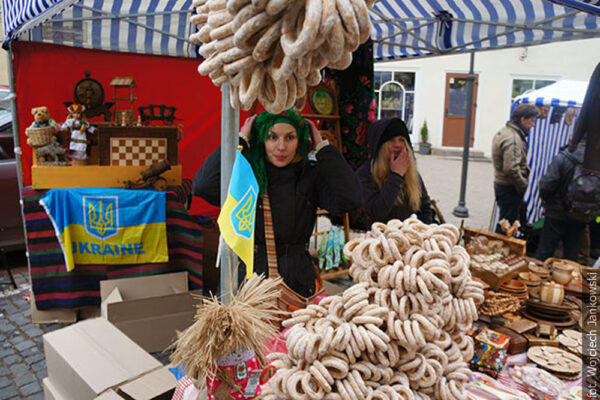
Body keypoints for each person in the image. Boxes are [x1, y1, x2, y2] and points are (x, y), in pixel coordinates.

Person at [193, 109, 362, 297]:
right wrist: (240, 141)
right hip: (251, 277)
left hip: (297, 279)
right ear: (261, 140)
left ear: (300, 141)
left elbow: (351, 199)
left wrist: (323, 147)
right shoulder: (248, 173)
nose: (281, 147)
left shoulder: (309, 174)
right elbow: (202, 185)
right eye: (272, 137)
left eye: (289, 138)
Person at [356, 118, 433, 224]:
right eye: (391, 140)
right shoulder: (365, 173)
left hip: (409, 236)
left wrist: (425, 232)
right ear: (380, 146)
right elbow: (377, 213)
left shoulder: (410, 171)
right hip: (379, 236)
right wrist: (396, 175)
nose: (397, 145)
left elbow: (425, 208)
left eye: (401, 139)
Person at [535, 141, 587, 262]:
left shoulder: (563, 157)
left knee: (544, 252)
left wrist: (547, 202)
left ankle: (534, 279)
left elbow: (546, 185)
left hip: (556, 212)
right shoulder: (595, 162)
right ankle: (579, 281)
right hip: (581, 215)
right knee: (572, 257)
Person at [491, 104, 539, 233]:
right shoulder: (513, 138)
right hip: (509, 187)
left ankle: (498, 248)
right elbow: (511, 169)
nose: (533, 125)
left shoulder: (506, 132)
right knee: (506, 225)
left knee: (505, 221)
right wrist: (522, 185)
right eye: (532, 121)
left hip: (503, 185)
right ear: (523, 120)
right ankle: (499, 250)